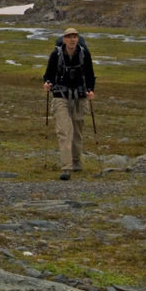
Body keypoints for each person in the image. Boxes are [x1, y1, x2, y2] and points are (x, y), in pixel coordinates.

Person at [43, 27, 96, 180]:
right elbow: (48, 74)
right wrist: (47, 83)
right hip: (60, 96)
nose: (72, 39)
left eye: (74, 36)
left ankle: (77, 163)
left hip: (80, 96)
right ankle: (66, 167)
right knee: (65, 131)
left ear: (78, 39)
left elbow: (90, 75)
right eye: (69, 37)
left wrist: (91, 90)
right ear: (64, 39)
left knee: (77, 131)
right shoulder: (56, 54)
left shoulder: (84, 54)